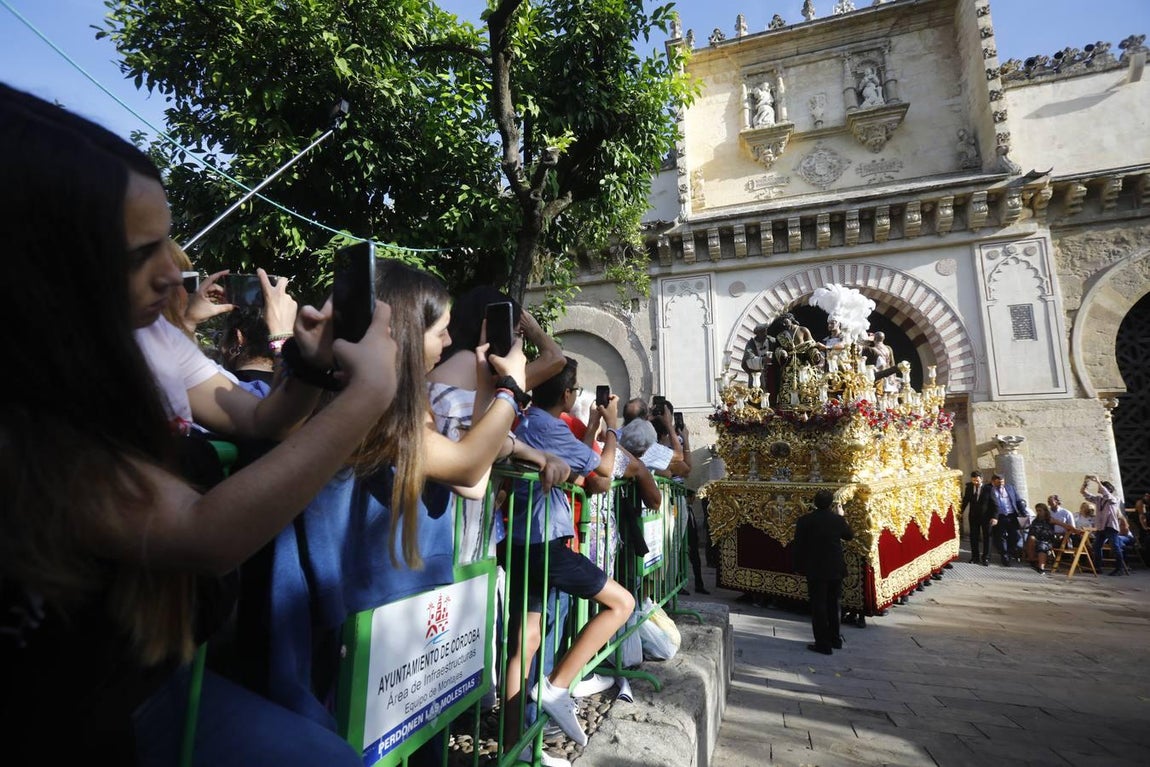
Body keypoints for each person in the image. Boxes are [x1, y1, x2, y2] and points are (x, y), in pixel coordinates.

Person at [0, 83, 397, 765]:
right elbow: (201, 532)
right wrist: (367, 397)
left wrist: (304, 361)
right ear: (44, 262)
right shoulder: (22, 406)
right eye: (142, 251)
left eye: (172, 238)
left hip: (149, 688)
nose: (179, 269)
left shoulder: (153, 338)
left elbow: (261, 418)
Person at [504, 358, 637, 749]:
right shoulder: (548, 426)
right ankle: (557, 686)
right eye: (575, 389)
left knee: (524, 643)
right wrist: (612, 426)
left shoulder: (525, 421)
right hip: (547, 541)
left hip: (521, 541)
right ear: (566, 394)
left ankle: (514, 744)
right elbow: (605, 473)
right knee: (622, 604)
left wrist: (593, 427)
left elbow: (582, 471)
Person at [792, 490, 855, 656]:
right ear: (831, 504)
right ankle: (835, 639)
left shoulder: (805, 520)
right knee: (834, 604)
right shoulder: (837, 520)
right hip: (835, 567)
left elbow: (798, 546)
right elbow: (849, 536)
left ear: (814, 502)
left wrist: (798, 566)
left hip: (816, 568)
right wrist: (843, 516)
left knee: (819, 605)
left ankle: (822, 643)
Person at [1082, 475, 1129, 575]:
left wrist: (1098, 481)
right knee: (1096, 546)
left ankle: (1119, 568)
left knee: (1115, 547)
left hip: (1110, 526)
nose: (1099, 488)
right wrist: (1086, 482)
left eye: (1101, 487)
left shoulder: (1114, 499)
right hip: (1101, 527)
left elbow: (1107, 494)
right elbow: (1084, 493)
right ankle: (1098, 567)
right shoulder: (1099, 499)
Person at [983, 473, 1027, 566]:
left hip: (1011, 516)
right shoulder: (989, 489)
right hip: (999, 517)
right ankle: (1004, 556)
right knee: (1001, 537)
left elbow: (1018, 500)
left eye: (1002, 482)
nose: (1001, 484)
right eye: (999, 482)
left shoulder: (1010, 488)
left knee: (1015, 536)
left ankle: (1009, 552)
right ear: (993, 482)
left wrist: (1023, 512)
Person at [961, 471, 991, 565]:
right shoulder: (969, 488)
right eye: (974, 480)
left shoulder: (988, 488)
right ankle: (975, 557)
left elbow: (994, 503)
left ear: (981, 479)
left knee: (987, 537)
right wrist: (960, 512)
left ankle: (986, 557)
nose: (976, 482)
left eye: (977, 480)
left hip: (986, 517)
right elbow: (965, 500)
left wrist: (994, 517)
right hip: (973, 516)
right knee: (974, 537)